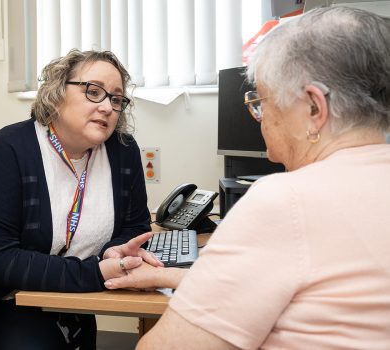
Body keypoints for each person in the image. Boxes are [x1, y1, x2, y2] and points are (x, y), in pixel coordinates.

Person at [104, 6, 390, 349]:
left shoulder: (285, 201)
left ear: (314, 107)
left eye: (262, 103)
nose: (261, 119)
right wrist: (166, 275)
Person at [0, 49, 162, 350]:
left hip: (41, 288)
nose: (108, 107)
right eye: (94, 92)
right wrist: (93, 272)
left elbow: (134, 226)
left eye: (116, 99)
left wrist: (114, 252)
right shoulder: (12, 147)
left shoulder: (123, 152)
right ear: (57, 93)